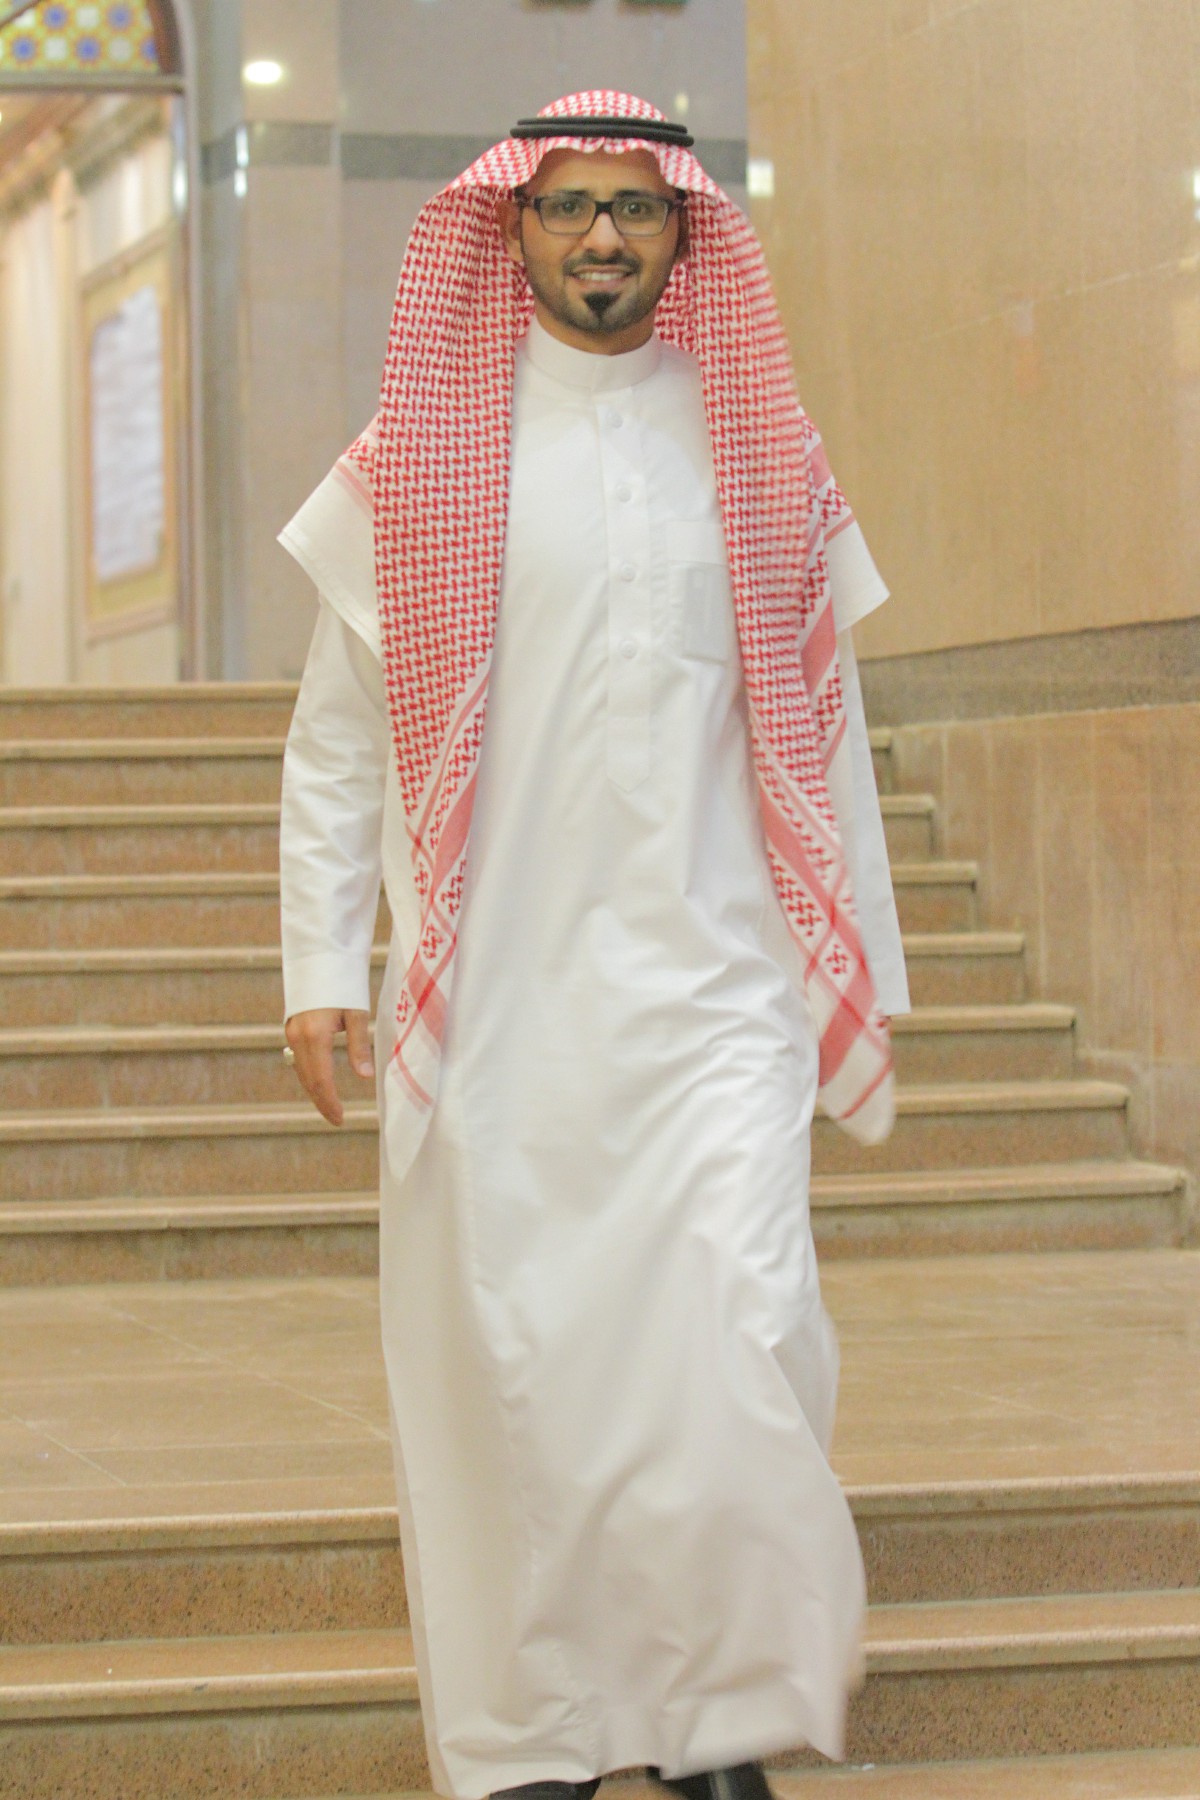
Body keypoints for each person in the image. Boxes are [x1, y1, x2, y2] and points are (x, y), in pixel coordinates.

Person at [278, 90, 909, 1800]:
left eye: (637, 205)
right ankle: (540, 1738)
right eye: (571, 206)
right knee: (523, 1389)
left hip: (718, 1000)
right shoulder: (415, 461)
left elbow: (827, 730)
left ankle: (711, 1725)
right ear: (513, 227)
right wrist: (322, 965)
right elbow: (337, 742)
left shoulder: (757, 448)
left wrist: (863, 968)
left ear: (688, 232)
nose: (605, 235)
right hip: (503, 1008)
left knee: (742, 1342)